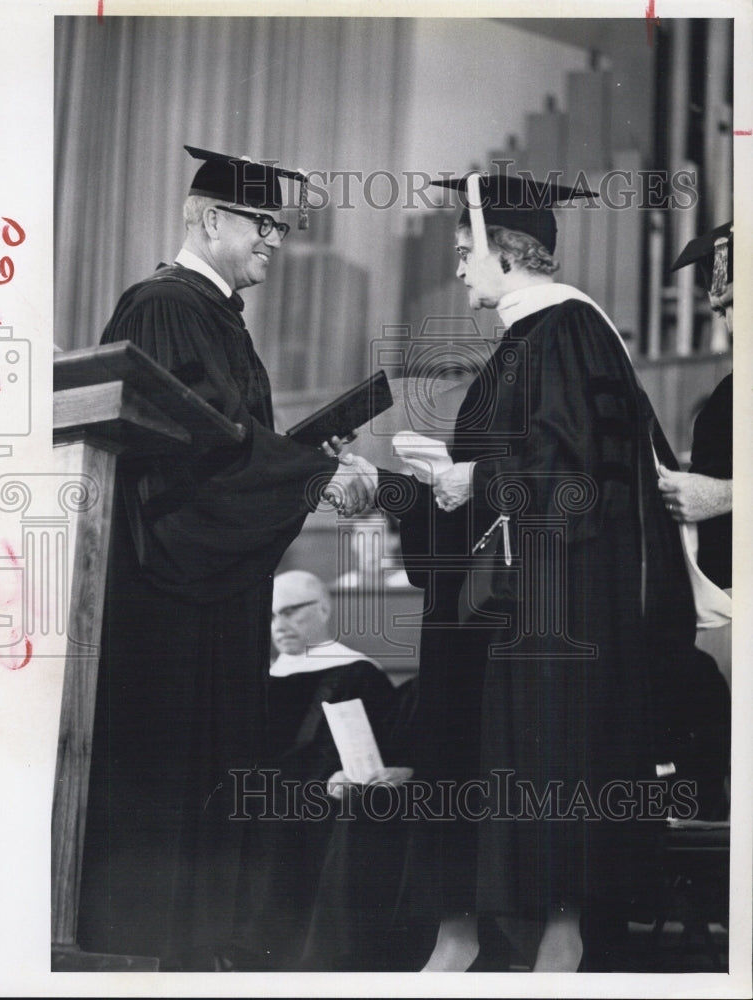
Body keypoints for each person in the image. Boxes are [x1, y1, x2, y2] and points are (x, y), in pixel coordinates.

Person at [385, 170, 701, 972]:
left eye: (467, 253)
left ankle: (556, 952)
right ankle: (456, 945)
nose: (459, 271)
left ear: (510, 252)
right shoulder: (523, 342)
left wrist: (471, 479)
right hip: (499, 603)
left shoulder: (566, 332)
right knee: (462, 750)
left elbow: (574, 472)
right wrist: (416, 488)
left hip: (548, 609)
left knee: (542, 765)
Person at [76, 146, 378, 970]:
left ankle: (197, 950)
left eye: (281, 226)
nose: (277, 240)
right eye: (264, 224)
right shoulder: (165, 307)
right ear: (211, 219)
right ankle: (148, 952)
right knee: (169, 772)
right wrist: (311, 470)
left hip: (210, 597)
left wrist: (303, 454)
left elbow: (225, 446)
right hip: (169, 598)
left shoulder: (212, 318)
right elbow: (195, 458)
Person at [230, 569, 404, 970]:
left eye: (291, 611)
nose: (280, 625)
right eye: (273, 615)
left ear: (323, 608)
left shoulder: (357, 672)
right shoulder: (260, 677)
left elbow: (371, 756)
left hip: (324, 804)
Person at [659, 222, 733, 688]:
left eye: (738, 304)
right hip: (726, 610)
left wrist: (727, 496)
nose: (728, 325)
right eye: (719, 310)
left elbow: (724, 495)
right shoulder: (726, 395)